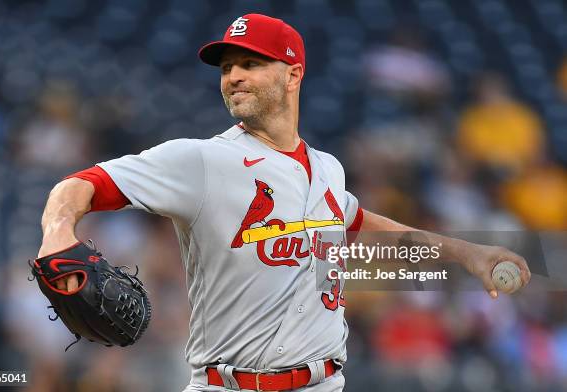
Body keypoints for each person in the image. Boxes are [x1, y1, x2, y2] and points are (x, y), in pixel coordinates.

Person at [37, 14, 531, 391]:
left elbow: (360, 223)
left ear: (293, 75)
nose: (233, 76)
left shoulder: (329, 169)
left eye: (251, 63)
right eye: (227, 67)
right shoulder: (201, 161)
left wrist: (470, 253)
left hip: (324, 382)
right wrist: (58, 233)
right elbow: (80, 185)